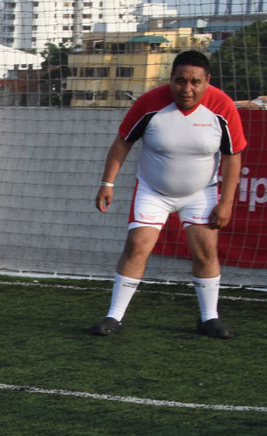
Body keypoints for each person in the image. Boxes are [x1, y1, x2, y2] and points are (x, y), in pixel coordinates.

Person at [91, 50, 247, 339]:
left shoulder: (223, 107)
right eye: (180, 81)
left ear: (207, 81)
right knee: (137, 245)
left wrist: (226, 202)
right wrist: (108, 183)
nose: (187, 89)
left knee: (205, 251)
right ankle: (114, 316)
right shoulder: (149, 103)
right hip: (153, 191)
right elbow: (123, 141)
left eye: (195, 82)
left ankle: (208, 318)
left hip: (201, 193)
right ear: (171, 80)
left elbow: (232, 155)